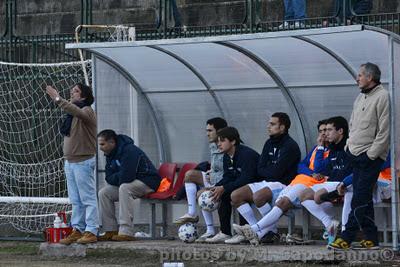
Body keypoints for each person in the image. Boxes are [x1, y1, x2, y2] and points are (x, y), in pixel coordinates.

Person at [236, 117, 351, 245]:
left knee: (282, 202)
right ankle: (262, 232)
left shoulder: (330, 149)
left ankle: (255, 230)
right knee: (279, 202)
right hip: (298, 181)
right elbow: (301, 165)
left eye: (327, 130)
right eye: (321, 131)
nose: (324, 134)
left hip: (311, 184)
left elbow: (322, 168)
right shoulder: (316, 149)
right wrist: (311, 171)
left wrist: (319, 154)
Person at [329, 62, 390, 250]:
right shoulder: (360, 98)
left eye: (360, 75)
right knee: (363, 198)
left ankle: (346, 238)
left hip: (370, 158)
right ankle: (372, 239)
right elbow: (352, 124)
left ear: (370, 77)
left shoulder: (382, 96)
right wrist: (348, 146)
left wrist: (371, 155)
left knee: (358, 198)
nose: (357, 78)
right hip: (354, 154)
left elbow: (384, 132)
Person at [230, 112, 301, 244]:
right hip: (267, 182)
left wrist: (268, 171)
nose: (268, 126)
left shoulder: (290, 146)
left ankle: (265, 231)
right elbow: (260, 168)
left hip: (284, 184)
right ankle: (262, 232)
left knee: (258, 196)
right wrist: (269, 171)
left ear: (282, 127)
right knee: (236, 196)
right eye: (269, 123)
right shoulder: (269, 142)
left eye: (272, 124)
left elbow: (277, 173)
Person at [45, 83, 98, 245]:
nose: (72, 93)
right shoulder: (73, 115)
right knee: (75, 200)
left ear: (83, 96)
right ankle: (78, 229)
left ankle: (92, 230)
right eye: (72, 91)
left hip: (83, 161)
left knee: (87, 198)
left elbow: (74, 110)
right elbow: (72, 110)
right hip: (70, 162)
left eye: (75, 91)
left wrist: (57, 97)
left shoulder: (87, 111)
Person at [97, 129, 161, 241]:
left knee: (125, 188)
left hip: (148, 182)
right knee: (104, 193)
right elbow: (109, 178)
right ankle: (110, 229)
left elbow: (127, 177)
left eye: (102, 144)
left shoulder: (129, 150)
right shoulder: (109, 154)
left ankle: (126, 231)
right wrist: (120, 175)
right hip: (132, 182)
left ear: (112, 142)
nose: (100, 147)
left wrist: (118, 176)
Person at [298, 116, 352, 244]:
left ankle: (334, 228)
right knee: (303, 195)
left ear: (340, 131)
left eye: (329, 130)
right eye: (325, 130)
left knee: (318, 196)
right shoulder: (332, 148)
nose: (325, 133)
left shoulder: (350, 146)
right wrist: (320, 147)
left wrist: (344, 181)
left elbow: (351, 170)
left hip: (345, 184)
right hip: (331, 183)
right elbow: (319, 168)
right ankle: (330, 223)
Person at [173, 117, 227, 243]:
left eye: (210, 130)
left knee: (201, 193)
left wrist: (213, 181)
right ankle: (192, 213)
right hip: (214, 178)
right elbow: (217, 166)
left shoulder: (228, 145)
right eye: (206, 130)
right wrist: (211, 172)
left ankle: (210, 230)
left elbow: (230, 170)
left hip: (223, 183)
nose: (207, 133)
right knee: (189, 175)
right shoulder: (213, 145)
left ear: (220, 131)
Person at [204, 127, 260, 243]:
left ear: (233, 141)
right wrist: (216, 187)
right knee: (222, 194)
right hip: (244, 185)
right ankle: (225, 232)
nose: (219, 144)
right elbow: (228, 176)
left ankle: (244, 232)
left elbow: (246, 179)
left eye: (222, 141)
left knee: (236, 194)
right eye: (218, 141)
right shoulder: (226, 156)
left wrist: (224, 188)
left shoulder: (247, 155)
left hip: (257, 186)